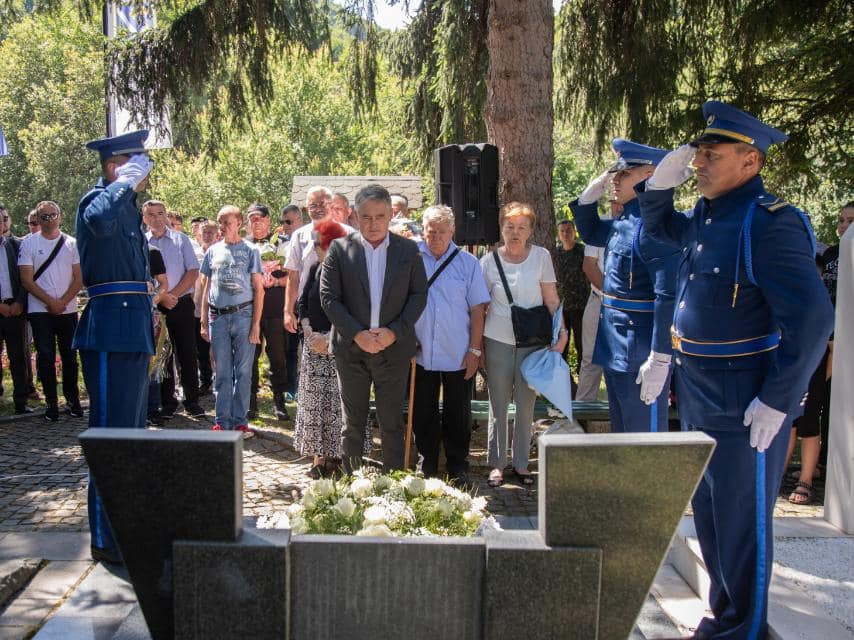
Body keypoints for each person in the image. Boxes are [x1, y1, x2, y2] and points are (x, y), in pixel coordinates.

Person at [636, 101, 834, 639]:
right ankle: (723, 620)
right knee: (712, 518)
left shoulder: (767, 222)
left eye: (712, 155)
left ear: (751, 161)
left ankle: (743, 630)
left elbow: (814, 318)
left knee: (743, 523)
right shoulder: (709, 213)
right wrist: (657, 189)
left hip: (744, 394)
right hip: (699, 390)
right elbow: (661, 231)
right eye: (698, 153)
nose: (699, 163)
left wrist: (778, 398)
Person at [74, 129, 155, 565]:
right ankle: (106, 539)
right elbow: (99, 220)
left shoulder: (129, 209)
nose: (145, 173)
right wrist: (123, 183)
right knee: (110, 437)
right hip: (109, 329)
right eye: (135, 163)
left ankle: (127, 529)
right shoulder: (98, 200)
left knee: (132, 436)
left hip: (134, 326)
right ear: (114, 167)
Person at [571, 139, 680, 432]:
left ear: (650, 174)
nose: (615, 180)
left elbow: (667, 296)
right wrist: (588, 196)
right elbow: (592, 231)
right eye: (615, 174)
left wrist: (660, 356)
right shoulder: (627, 219)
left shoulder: (655, 226)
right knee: (622, 434)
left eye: (624, 173)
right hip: (615, 343)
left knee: (643, 438)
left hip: (639, 349)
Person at [320, 184, 428, 472]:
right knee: (352, 423)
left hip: (393, 349)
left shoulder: (409, 250)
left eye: (380, 216)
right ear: (355, 216)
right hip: (351, 350)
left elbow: (419, 295)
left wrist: (394, 332)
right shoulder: (339, 250)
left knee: (391, 423)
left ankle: (392, 486)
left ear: (391, 215)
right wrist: (357, 334)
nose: (373, 223)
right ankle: (352, 484)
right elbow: (328, 297)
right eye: (366, 217)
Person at [480, 202, 568, 487]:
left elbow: (551, 299)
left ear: (530, 231)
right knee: (498, 403)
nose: (515, 233)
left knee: (525, 403)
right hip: (497, 339)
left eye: (521, 227)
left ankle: (521, 463)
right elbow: (480, 306)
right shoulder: (488, 262)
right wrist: (476, 346)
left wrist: (562, 330)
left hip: (533, 342)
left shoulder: (541, 257)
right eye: (510, 227)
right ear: (501, 229)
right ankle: (497, 464)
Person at [413, 205, 490, 486]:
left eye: (442, 232)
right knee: (423, 411)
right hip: (420, 351)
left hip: (458, 350)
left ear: (453, 231)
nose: (436, 237)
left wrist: (475, 350)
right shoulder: (411, 258)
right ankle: (427, 462)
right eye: (431, 231)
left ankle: (457, 465)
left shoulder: (468, 263)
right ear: (423, 230)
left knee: (458, 413)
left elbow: (477, 310)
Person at [785, 201, 851, 503]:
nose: (844, 226)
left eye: (850, 220)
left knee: (811, 420)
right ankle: (780, 473)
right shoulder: (825, 255)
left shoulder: (821, 265)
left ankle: (808, 478)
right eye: (841, 220)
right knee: (788, 421)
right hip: (791, 355)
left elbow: (830, 329)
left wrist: (826, 367)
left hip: (823, 352)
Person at [294, 219, 370, 478]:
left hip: (341, 348)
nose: (315, 248)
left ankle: (339, 458)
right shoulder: (315, 267)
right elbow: (302, 303)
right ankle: (318, 458)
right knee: (316, 407)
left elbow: (356, 312)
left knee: (339, 405)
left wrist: (330, 340)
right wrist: (308, 331)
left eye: (319, 244)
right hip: (314, 347)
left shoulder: (352, 273)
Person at [199, 205, 263, 438]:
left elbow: (259, 290)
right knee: (223, 372)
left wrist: (256, 325)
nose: (223, 227)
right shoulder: (213, 251)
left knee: (244, 372)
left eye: (227, 222)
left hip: (243, 315)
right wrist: (203, 320)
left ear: (239, 223)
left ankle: (240, 422)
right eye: (220, 222)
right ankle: (222, 422)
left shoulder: (251, 250)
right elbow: (206, 287)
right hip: (218, 317)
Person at [18, 201, 83, 421]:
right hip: (40, 310)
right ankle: (51, 403)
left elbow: (79, 278)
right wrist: (50, 301)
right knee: (45, 357)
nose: (49, 220)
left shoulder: (72, 243)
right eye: (44, 216)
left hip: (68, 308)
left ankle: (73, 400)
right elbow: (26, 279)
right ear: (37, 219)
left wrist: (63, 301)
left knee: (70, 357)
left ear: (60, 216)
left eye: (52, 215)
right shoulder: (28, 244)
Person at [143, 200, 204, 419]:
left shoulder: (181, 239)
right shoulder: (141, 242)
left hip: (181, 302)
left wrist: (173, 295)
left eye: (160, 213)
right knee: (162, 355)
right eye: (151, 214)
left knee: (186, 352)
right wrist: (161, 298)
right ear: (144, 218)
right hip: (155, 305)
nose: (157, 218)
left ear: (166, 215)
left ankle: (192, 400)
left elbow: (193, 271)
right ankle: (167, 401)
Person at [245, 202, 290, 421]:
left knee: (278, 356)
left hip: (275, 307)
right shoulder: (242, 245)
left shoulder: (282, 243)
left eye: (260, 218)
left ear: (268, 220)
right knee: (250, 356)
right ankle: (250, 401)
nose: (256, 223)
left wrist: (277, 281)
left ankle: (279, 400)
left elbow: (294, 275)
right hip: (250, 309)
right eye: (252, 219)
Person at [575, 204, 616, 401]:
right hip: (598, 299)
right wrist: (611, 295)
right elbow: (589, 265)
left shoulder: (642, 222)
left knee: (621, 361)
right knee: (590, 358)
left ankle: (621, 408)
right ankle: (583, 411)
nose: (617, 204)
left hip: (631, 306)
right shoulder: (601, 225)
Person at [551, 219, 589, 397]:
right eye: (562, 231)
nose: (565, 234)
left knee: (582, 347)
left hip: (581, 307)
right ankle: (566, 386)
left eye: (568, 230)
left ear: (574, 231)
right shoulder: (556, 254)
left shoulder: (582, 251)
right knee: (562, 348)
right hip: (562, 310)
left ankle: (583, 386)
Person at [0, 205, 32, 414]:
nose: (1, 223)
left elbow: (25, 278)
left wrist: (19, 302)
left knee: (19, 357)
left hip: (15, 309)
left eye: (3, 219)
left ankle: (21, 401)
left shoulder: (17, 245)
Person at [278, 204, 304, 400]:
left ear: (300, 220)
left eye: (289, 222)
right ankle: (291, 388)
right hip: (287, 301)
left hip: (306, 300)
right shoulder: (278, 243)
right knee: (289, 348)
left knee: (306, 347)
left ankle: (304, 386)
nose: (285, 226)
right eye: (282, 222)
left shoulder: (308, 239)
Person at [193, 220, 219, 394]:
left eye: (210, 232)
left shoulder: (220, 251)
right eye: (204, 232)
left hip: (217, 305)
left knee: (217, 346)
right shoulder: (193, 253)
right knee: (201, 346)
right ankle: (205, 380)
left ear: (217, 234)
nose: (207, 235)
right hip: (197, 304)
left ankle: (219, 378)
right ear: (199, 234)